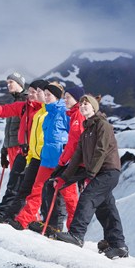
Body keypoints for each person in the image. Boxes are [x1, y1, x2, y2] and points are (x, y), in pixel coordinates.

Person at [53, 94, 129, 259]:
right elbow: (76, 158)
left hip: (108, 171)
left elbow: (100, 150)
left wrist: (90, 174)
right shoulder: (86, 130)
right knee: (106, 209)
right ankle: (118, 245)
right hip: (98, 172)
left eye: (86, 103)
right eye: (81, 104)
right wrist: (63, 177)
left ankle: (76, 235)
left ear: (94, 107)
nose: (82, 106)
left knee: (87, 198)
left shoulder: (103, 126)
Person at [8, 82, 70, 230]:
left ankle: (66, 230)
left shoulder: (65, 113)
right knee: (37, 191)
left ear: (57, 96)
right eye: (45, 94)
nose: (46, 97)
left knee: (66, 196)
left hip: (61, 161)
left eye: (48, 95)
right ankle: (23, 221)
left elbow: (73, 136)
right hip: (45, 159)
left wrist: (68, 156)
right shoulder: (45, 114)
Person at [0, 79, 47, 222]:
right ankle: (3, 215)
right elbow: (8, 110)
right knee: (14, 185)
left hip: (37, 155)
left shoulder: (45, 111)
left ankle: (29, 219)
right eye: (30, 91)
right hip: (24, 151)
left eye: (35, 92)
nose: (31, 95)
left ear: (43, 93)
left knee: (30, 189)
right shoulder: (26, 106)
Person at [39, 83, 85, 232]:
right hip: (52, 160)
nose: (66, 100)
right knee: (48, 192)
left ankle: (73, 231)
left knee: (69, 197)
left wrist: (69, 159)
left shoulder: (69, 114)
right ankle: (51, 226)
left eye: (68, 97)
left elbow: (75, 139)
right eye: (65, 97)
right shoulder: (51, 114)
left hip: (66, 162)